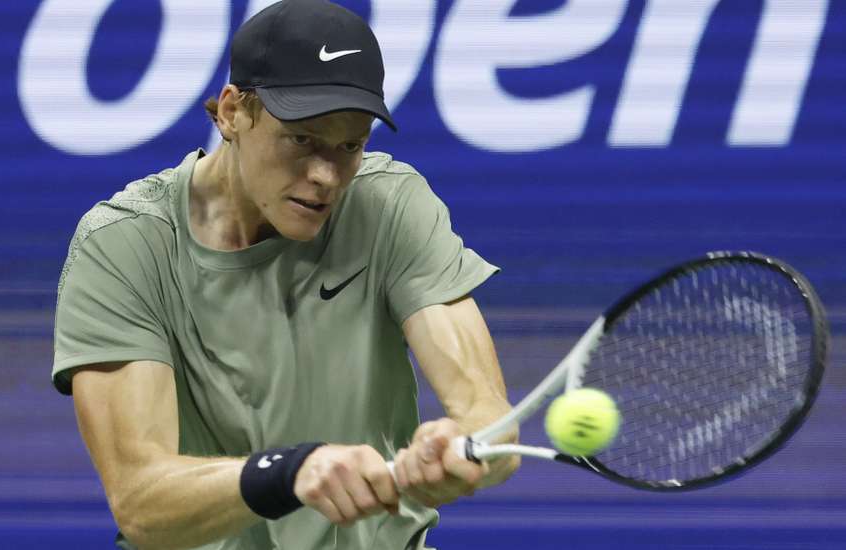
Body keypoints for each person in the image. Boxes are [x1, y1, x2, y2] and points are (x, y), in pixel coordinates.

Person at [52, 1, 518, 548]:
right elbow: (142, 503)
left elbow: (491, 422)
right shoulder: (124, 243)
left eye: (351, 145)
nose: (326, 175)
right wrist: (287, 473)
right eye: (302, 139)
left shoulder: (390, 205)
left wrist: (461, 449)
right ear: (231, 113)